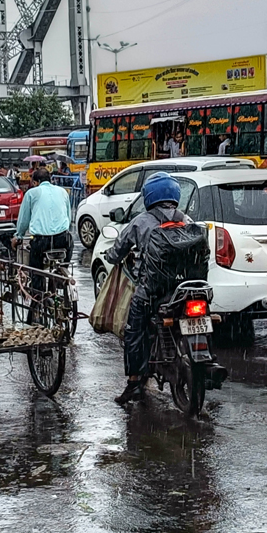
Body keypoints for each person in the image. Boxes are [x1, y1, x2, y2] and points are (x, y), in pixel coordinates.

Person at [106, 173, 186, 404]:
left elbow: (118, 250)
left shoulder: (141, 221)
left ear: (149, 196)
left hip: (153, 291)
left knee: (134, 331)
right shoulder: (187, 220)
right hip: (184, 289)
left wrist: (111, 256)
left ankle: (134, 383)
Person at [15, 166, 74, 268]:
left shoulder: (31, 193)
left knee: (36, 270)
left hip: (41, 241)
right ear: (50, 179)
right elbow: (68, 217)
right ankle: (62, 277)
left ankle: (38, 282)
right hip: (63, 239)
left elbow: (24, 220)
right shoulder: (63, 192)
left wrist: (18, 236)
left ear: (35, 182)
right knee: (64, 265)